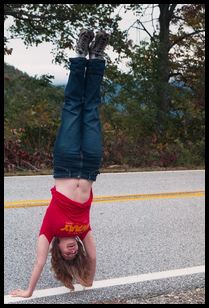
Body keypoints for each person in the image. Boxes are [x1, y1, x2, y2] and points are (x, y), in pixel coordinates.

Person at [10, 28, 110, 298]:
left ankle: (79, 56)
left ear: (58, 250)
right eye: (74, 253)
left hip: (65, 163)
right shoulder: (84, 231)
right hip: (89, 165)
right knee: (90, 108)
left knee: (71, 106)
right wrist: (87, 279)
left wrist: (28, 291)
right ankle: (98, 58)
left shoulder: (49, 231)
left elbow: (39, 262)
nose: (73, 251)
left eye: (67, 254)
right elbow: (92, 258)